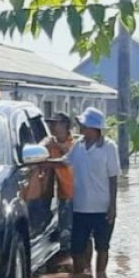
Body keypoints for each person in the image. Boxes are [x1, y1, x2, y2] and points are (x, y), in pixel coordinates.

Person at [67, 107, 121, 278]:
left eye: (82, 125)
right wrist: (44, 163)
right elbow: (65, 162)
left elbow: (113, 177)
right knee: (77, 248)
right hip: (80, 207)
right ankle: (82, 277)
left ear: (92, 128)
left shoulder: (109, 147)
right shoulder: (78, 145)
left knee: (102, 247)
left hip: (102, 207)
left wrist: (113, 206)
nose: (79, 127)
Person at [44, 113, 75, 267]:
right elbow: (39, 149)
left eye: (55, 124)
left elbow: (66, 160)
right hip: (63, 194)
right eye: (50, 124)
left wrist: (55, 146)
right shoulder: (51, 143)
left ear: (65, 125)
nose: (52, 127)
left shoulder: (76, 143)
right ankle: (67, 262)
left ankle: (76, 264)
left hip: (80, 194)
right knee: (65, 230)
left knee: (77, 232)